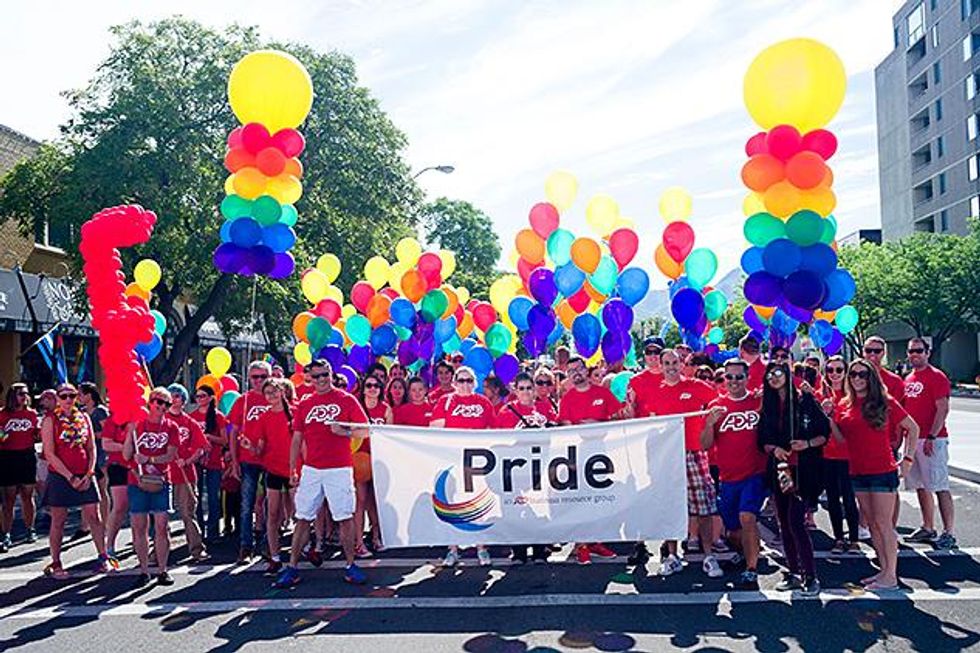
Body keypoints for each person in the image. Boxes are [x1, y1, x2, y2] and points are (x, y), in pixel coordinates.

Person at [274, 359, 369, 588]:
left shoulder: (346, 399)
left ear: (331, 374)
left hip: (340, 468)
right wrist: (291, 469)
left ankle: (350, 565)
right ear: (310, 378)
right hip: (312, 469)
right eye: (316, 376)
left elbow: (366, 430)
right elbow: (297, 438)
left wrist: (344, 431)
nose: (321, 380)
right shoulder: (305, 403)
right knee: (303, 517)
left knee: (344, 516)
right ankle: (293, 567)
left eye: (325, 374)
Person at [829, 359, 918, 590]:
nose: (857, 378)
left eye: (863, 374)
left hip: (882, 471)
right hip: (857, 472)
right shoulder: (845, 404)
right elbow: (841, 440)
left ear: (871, 378)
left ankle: (891, 575)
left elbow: (913, 427)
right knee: (873, 526)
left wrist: (907, 459)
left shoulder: (884, 401)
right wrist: (829, 418)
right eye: (853, 374)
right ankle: (883, 571)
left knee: (884, 524)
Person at [637, 349, 718, 577]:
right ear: (660, 366)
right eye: (667, 363)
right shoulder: (655, 392)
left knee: (703, 506)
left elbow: (718, 403)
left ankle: (709, 555)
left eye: (675, 362)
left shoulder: (696, 386)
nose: (671, 366)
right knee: (669, 506)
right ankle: (672, 556)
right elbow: (649, 425)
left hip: (694, 453)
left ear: (681, 364)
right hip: (667, 456)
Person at [757, 362, 827, 595]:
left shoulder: (804, 400)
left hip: (803, 470)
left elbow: (824, 434)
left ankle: (811, 575)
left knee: (797, 522)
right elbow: (762, 441)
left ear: (787, 375)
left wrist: (805, 443)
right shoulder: (767, 406)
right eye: (769, 376)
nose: (773, 378)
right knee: (784, 524)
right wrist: (774, 448)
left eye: (778, 373)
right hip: (780, 471)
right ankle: (794, 571)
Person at [701, 359, 766, 590]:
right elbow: (705, 444)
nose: (734, 381)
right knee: (731, 531)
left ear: (747, 378)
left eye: (739, 377)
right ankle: (747, 551)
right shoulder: (716, 406)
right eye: (729, 377)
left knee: (748, 517)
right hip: (728, 478)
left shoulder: (758, 401)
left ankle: (751, 569)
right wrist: (709, 424)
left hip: (755, 474)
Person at [41, 383, 113, 578]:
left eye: (72, 396)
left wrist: (89, 473)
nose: (68, 400)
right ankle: (56, 562)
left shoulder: (84, 417)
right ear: (57, 398)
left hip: (85, 474)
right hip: (61, 475)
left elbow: (91, 447)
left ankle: (103, 556)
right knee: (59, 519)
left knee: (95, 517)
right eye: (63, 396)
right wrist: (70, 477)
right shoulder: (50, 420)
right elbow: (49, 452)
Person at [557, 356, 624, 565]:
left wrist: (599, 425)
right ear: (568, 376)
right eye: (571, 371)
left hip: (602, 456)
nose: (576, 373)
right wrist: (586, 430)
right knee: (580, 501)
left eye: (579, 369)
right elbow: (567, 428)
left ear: (586, 371)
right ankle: (581, 546)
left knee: (600, 500)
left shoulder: (603, 393)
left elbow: (617, 418)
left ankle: (596, 541)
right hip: (578, 457)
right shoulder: (567, 399)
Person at [430, 366, 496, 567]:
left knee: (480, 504)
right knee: (451, 504)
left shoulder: (483, 402)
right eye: (461, 380)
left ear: (474, 383)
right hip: (452, 461)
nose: (465, 385)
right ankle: (453, 549)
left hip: (477, 462)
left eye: (469, 381)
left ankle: (481, 548)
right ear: (454, 383)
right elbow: (434, 431)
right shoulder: (446, 401)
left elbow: (493, 431)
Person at [902, 337, 956, 549]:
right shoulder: (908, 378)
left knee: (939, 485)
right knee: (920, 486)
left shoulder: (937, 377)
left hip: (933, 439)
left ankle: (949, 532)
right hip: (913, 440)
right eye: (911, 351)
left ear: (928, 352)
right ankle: (928, 527)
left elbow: (942, 408)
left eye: (919, 350)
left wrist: (932, 436)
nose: (915, 354)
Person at [124, 387, 179, 586]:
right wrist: (130, 435)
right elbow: (126, 456)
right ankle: (144, 569)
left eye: (167, 403)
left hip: (161, 481)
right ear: (150, 402)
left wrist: (150, 458)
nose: (162, 407)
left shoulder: (171, 427)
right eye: (159, 402)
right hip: (137, 481)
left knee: (162, 526)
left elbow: (171, 455)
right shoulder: (137, 425)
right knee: (139, 527)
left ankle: (163, 569)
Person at [496, 372, 553, 564]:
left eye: (529, 387)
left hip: (541, 466)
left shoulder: (546, 408)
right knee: (515, 509)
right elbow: (501, 441)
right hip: (517, 469)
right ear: (515, 390)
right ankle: (519, 550)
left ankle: (539, 549)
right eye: (522, 388)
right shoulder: (506, 411)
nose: (526, 392)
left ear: (535, 389)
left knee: (539, 508)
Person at [228, 360, 272, 563]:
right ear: (249, 379)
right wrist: (234, 460)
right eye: (255, 377)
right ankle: (246, 546)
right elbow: (232, 431)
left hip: (273, 460)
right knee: (247, 504)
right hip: (248, 460)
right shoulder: (242, 401)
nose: (259, 381)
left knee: (272, 505)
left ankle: (269, 544)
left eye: (263, 377)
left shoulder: (276, 399)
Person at [819, 355, 862, 554]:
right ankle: (838, 538)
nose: (834, 374)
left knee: (849, 498)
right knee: (833, 499)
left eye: (839, 370)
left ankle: (853, 538)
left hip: (848, 456)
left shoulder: (853, 396)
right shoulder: (820, 396)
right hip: (827, 455)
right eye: (830, 370)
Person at [166, 384, 209, 561]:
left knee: (187, 513)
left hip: (186, 474)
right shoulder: (162, 422)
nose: (174, 399)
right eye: (171, 396)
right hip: (164, 474)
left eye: (178, 396)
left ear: (183, 400)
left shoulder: (190, 422)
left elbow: (201, 447)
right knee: (161, 517)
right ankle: (159, 552)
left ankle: (197, 549)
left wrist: (188, 460)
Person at [255, 379, 294, 573]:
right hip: (273, 470)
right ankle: (275, 556)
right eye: (267, 393)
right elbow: (260, 448)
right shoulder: (264, 417)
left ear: (282, 392)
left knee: (297, 512)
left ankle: (300, 548)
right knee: (273, 514)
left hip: (294, 469)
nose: (271, 396)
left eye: (274, 391)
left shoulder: (294, 413)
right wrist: (250, 447)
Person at [1, 383, 39, 550]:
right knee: (8, 498)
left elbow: (36, 434)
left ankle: (30, 529)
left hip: (27, 456)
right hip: (8, 457)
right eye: (20, 394)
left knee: (27, 495)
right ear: (12, 396)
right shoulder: (2, 414)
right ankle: (6, 533)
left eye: (26, 394)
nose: (24, 397)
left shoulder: (32, 414)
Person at [356, 374, 390, 556]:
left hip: (378, 461)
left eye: (376, 385)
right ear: (363, 388)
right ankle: (359, 542)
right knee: (360, 502)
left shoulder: (386, 409)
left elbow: (390, 438)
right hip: (359, 460)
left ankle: (376, 537)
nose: (372, 389)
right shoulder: (357, 407)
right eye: (368, 385)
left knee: (376, 503)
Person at [192, 385, 227, 542]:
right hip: (197, 462)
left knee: (213, 497)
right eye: (197, 396)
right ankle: (199, 531)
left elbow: (224, 440)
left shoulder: (218, 417)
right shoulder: (192, 417)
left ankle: (213, 532)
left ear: (211, 398)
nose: (200, 399)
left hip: (214, 462)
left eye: (203, 396)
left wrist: (209, 438)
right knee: (197, 497)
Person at [79, 383, 111, 529]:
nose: (78, 397)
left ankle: (105, 522)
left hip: (101, 454)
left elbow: (108, 431)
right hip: (87, 454)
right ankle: (85, 524)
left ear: (89, 395)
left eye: (80, 394)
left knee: (102, 489)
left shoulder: (100, 411)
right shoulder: (82, 412)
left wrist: (93, 435)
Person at [101, 416, 130, 559]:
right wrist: (126, 446)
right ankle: (110, 544)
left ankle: (144, 545)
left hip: (141, 465)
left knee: (144, 508)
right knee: (119, 506)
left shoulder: (143, 414)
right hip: (118, 465)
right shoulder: (113, 419)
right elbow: (106, 444)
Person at [862, 336, 905, 400]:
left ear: (883, 353)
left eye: (877, 351)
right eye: (868, 350)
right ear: (863, 352)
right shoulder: (853, 378)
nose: (872, 354)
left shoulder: (895, 381)